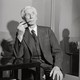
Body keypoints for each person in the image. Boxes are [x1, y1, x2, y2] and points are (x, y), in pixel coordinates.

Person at [14, 6, 64, 80]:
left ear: (36, 17)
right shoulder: (21, 33)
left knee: (56, 77)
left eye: (33, 13)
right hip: (32, 66)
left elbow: (57, 51)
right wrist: (20, 35)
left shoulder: (47, 31)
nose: (31, 16)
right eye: (28, 14)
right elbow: (18, 56)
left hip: (48, 65)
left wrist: (57, 67)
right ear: (24, 19)